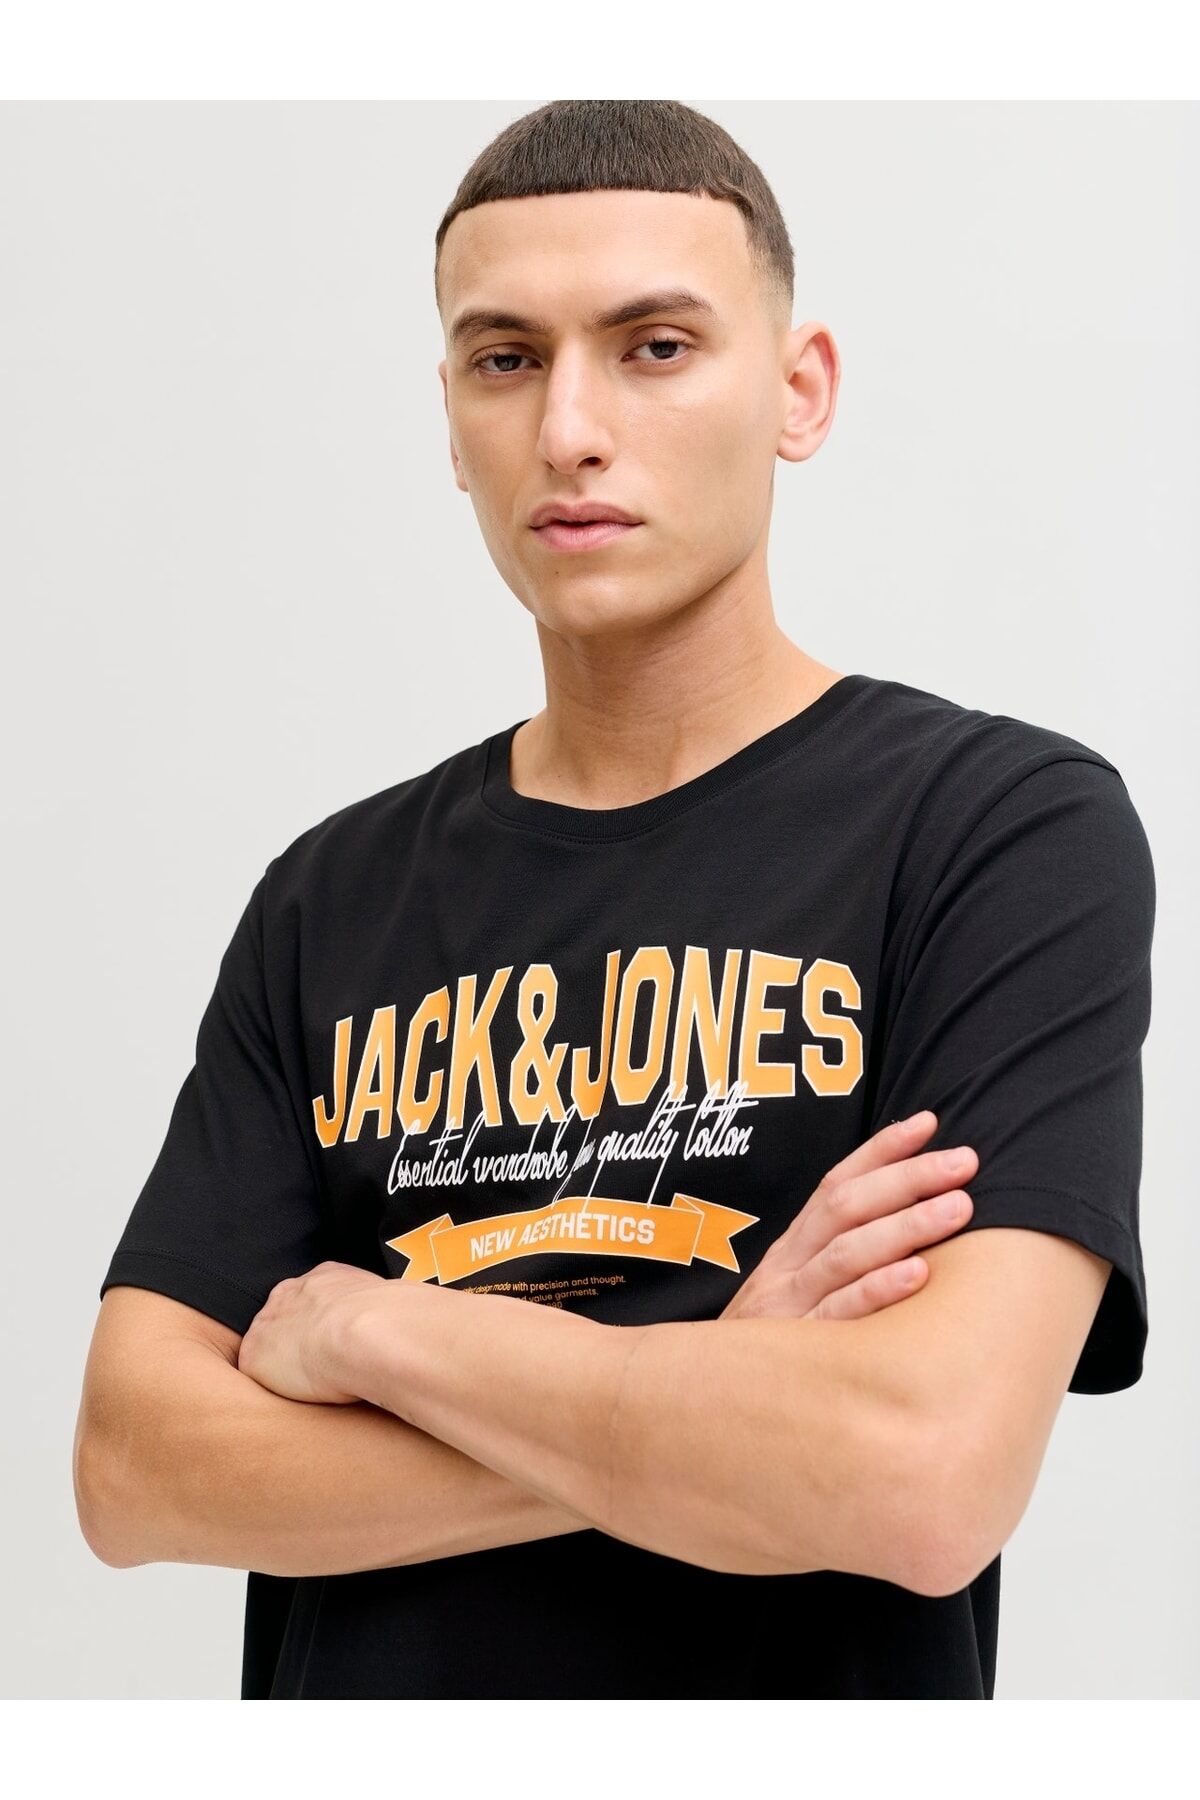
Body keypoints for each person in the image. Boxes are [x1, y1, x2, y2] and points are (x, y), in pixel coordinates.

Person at [75, 99, 1155, 1700]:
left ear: (799, 391)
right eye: (504, 358)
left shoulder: (995, 831)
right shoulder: (329, 897)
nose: (569, 428)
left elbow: (920, 1475)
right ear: (451, 421)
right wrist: (720, 1389)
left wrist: (380, 1337)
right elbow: (133, 1468)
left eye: (655, 347)